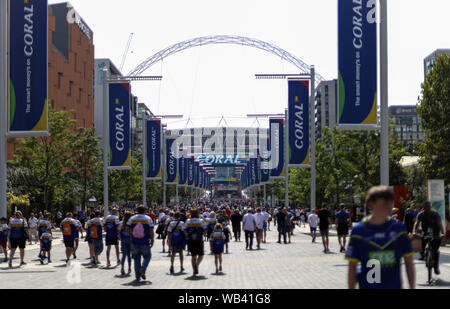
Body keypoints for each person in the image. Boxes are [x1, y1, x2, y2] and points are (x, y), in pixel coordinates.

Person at [346, 186, 415, 289]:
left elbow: (409, 263)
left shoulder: (399, 229)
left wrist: (412, 287)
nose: (389, 206)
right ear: (371, 203)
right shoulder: (358, 231)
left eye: (391, 202)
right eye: (384, 203)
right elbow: (352, 267)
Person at [413, 201, 445, 275]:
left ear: (430, 207)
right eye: (425, 207)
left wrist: (442, 233)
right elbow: (416, 223)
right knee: (422, 246)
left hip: (436, 232)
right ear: (423, 208)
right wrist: (414, 231)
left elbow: (440, 224)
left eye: (428, 207)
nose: (427, 209)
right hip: (425, 233)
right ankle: (425, 256)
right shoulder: (420, 214)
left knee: (435, 250)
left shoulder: (435, 214)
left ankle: (436, 267)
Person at [127, 205, 155, 282]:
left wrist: (131, 235)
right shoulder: (148, 218)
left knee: (136, 259)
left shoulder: (132, 218)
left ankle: (137, 276)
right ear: (144, 211)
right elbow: (151, 230)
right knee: (147, 256)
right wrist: (152, 239)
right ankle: (143, 269)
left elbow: (127, 228)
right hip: (145, 241)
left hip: (134, 241)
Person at [184, 208, 206, 276]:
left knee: (193, 256)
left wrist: (188, 236)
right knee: (201, 255)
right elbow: (205, 230)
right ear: (197, 213)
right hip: (199, 239)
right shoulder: (201, 220)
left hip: (190, 240)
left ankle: (194, 270)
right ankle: (197, 265)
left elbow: (184, 230)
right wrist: (203, 234)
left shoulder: (187, 221)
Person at [119, 212, 133, 276]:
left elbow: (119, 232)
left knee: (123, 255)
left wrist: (120, 238)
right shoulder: (131, 223)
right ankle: (129, 268)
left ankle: (122, 268)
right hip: (130, 240)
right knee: (129, 255)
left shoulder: (121, 223)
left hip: (123, 240)